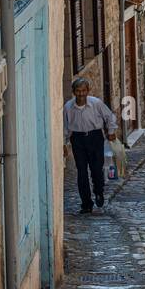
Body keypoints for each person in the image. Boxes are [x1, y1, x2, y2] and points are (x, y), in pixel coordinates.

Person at [63, 76, 118, 214]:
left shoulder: (96, 103)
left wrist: (111, 131)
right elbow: (65, 127)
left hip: (95, 137)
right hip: (77, 139)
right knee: (81, 171)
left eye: (83, 91)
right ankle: (86, 203)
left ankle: (99, 192)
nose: (81, 94)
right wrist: (64, 144)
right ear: (74, 92)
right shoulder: (68, 107)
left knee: (96, 169)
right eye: (78, 91)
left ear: (88, 91)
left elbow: (109, 116)